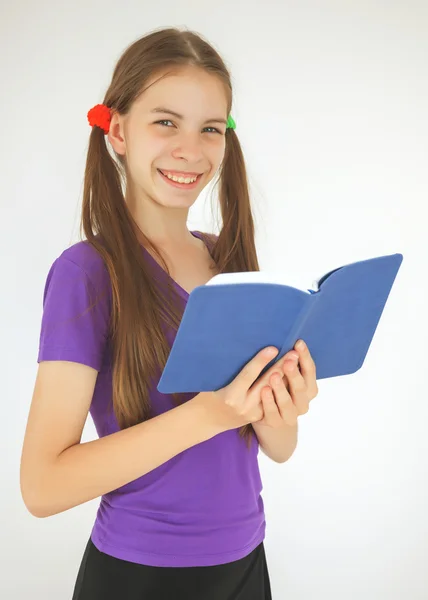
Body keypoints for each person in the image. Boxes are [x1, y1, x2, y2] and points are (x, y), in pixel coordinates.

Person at [20, 27, 318, 599]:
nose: (190, 148)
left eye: (210, 128)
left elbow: (278, 449)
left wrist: (282, 408)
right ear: (118, 130)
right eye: (166, 122)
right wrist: (209, 415)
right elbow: (42, 487)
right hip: (140, 577)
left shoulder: (226, 264)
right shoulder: (87, 273)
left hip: (246, 563)